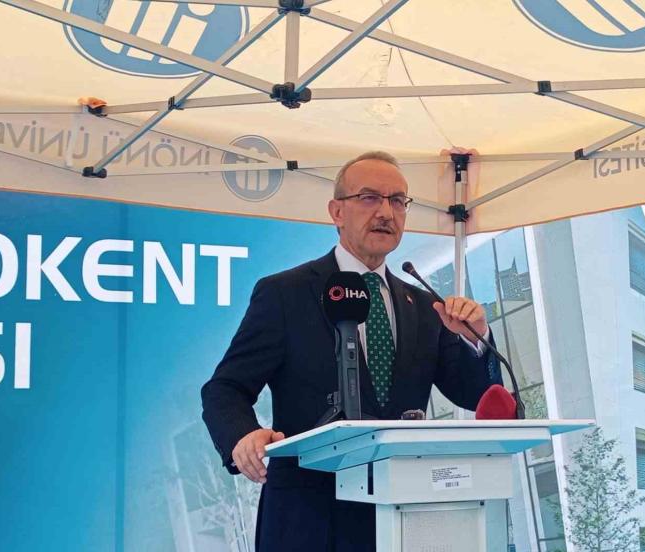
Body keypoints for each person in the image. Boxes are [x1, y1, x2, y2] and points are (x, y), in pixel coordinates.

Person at [201, 151, 506, 551]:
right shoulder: (286, 293)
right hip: (309, 520)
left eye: (397, 201)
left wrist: (476, 338)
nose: (386, 212)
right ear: (337, 212)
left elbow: (475, 396)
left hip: (402, 518)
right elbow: (225, 389)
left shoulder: (424, 305)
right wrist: (243, 436)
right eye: (369, 197)